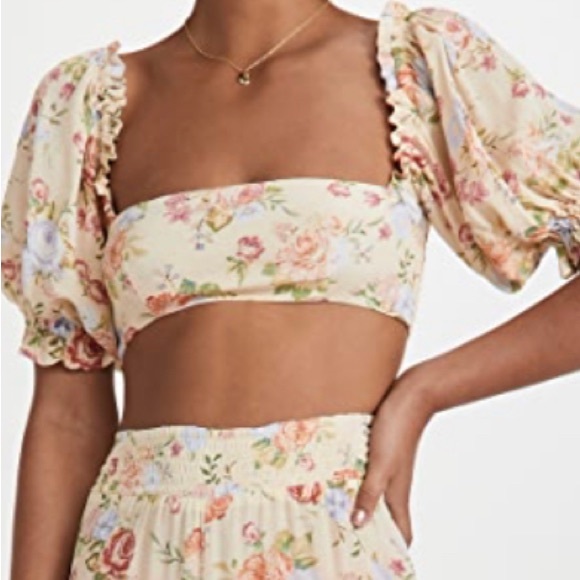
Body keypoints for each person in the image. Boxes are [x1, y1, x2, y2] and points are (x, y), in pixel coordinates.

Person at [2, 0, 579, 577]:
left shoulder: (419, 66)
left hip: (330, 540)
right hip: (134, 546)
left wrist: (424, 391)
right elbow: (67, 415)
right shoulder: (86, 106)